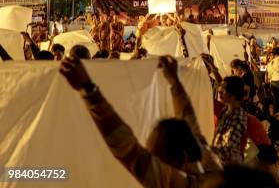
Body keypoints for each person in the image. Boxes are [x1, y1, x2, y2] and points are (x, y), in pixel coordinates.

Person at [59, 54, 221, 187]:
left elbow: (127, 149)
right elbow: (190, 124)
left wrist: (89, 91)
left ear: (181, 160)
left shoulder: (180, 185)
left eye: (157, 159)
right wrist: (174, 82)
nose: (154, 163)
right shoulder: (211, 166)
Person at [212, 76, 248, 165]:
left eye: (223, 89)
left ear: (233, 94)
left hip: (229, 166)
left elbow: (229, 147)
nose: (219, 91)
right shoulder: (225, 110)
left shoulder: (238, 116)